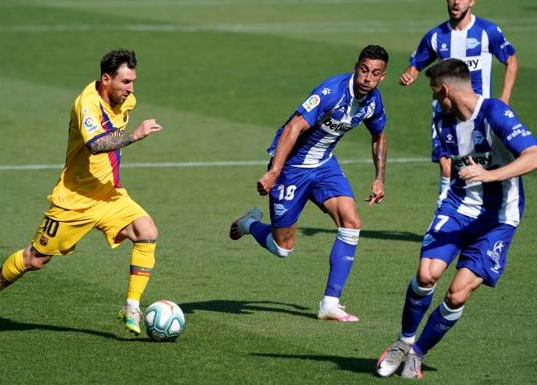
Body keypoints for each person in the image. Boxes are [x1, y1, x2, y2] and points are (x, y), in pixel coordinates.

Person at [0, 49, 164, 335]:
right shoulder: (87, 104)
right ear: (106, 79)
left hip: (109, 194)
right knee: (35, 259)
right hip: (74, 200)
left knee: (147, 231)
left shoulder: (126, 101)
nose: (131, 89)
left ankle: (131, 306)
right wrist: (135, 135)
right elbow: (95, 145)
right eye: (125, 82)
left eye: (133, 81)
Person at [376, 58, 537, 379]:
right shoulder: (443, 122)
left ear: (447, 89)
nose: (435, 99)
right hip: (459, 208)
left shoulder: (495, 113)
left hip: (499, 219)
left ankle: (417, 354)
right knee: (426, 275)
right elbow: (450, 164)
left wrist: (490, 175)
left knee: (457, 293)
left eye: (436, 92)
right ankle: (403, 342)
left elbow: (533, 155)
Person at [229, 45, 389, 322]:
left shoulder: (373, 101)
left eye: (375, 74)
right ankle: (249, 224)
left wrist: (379, 178)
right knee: (282, 249)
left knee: (351, 222)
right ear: (356, 67)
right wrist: (274, 172)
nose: (367, 78)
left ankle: (330, 303)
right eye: (364, 71)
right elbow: (293, 128)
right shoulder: (332, 91)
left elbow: (379, 136)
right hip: (291, 169)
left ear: (382, 77)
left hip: (325, 166)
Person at [399, 0, 518, 205]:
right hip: (444, 112)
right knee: (447, 164)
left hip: (479, 112)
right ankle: (444, 205)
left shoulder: (487, 31)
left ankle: (487, 210)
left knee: (484, 163)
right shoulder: (436, 35)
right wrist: (411, 74)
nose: (455, 2)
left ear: (472, 1)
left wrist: (504, 98)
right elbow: (416, 63)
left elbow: (511, 60)